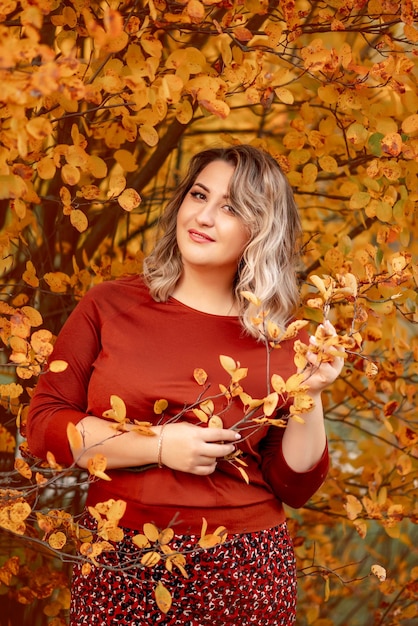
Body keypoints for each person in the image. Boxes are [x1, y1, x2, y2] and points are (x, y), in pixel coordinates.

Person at [27, 145, 344, 625]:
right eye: (199, 195)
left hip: (244, 569)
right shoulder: (109, 304)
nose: (204, 215)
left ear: (261, 230)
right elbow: (42, 428)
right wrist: (156, 445)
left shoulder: (285, 337)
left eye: (231, 207)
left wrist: (312, 393)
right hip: (119, 557)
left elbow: (293, 485)